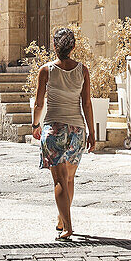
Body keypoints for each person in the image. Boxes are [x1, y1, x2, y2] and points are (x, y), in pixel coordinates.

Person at [32, 27, 95, 239]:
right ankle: (62, 218)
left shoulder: (46, 70)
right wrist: (92, 132)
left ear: (54, 47)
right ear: (73, 46)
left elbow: (39, 103)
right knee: (69, 179)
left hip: (54, 128)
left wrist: (35, 125)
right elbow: (86, 103)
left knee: (59, 179)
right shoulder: (82, 70)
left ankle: (68, 227)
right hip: (77, 130)